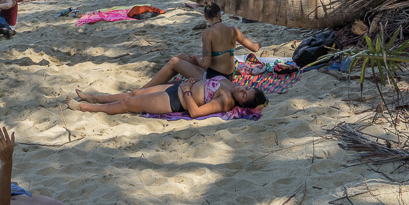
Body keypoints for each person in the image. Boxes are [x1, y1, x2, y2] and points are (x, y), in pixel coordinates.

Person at [142, 2, 261, 86]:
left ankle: (146, 88)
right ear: (219, 14)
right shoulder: (233, 29)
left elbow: (205, 64)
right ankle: (159, 82)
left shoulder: (208, 33)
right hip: (229, 77)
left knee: (174, 61)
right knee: (180, 56)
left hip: (215, 79)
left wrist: (196, 59)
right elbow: (254, 48)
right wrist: (259, 43)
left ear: (205, 17)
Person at [69, 75, 266, 117]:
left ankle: (86, 108)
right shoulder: (230, 84)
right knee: (133, 93)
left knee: (128, 103)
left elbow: (196, 112)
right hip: (176, 88)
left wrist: (188, 90)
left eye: (243, 96)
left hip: (174, 100)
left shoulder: (225, 101)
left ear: (241, 103)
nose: (241, 91)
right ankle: (93, 97)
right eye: (245, 89)